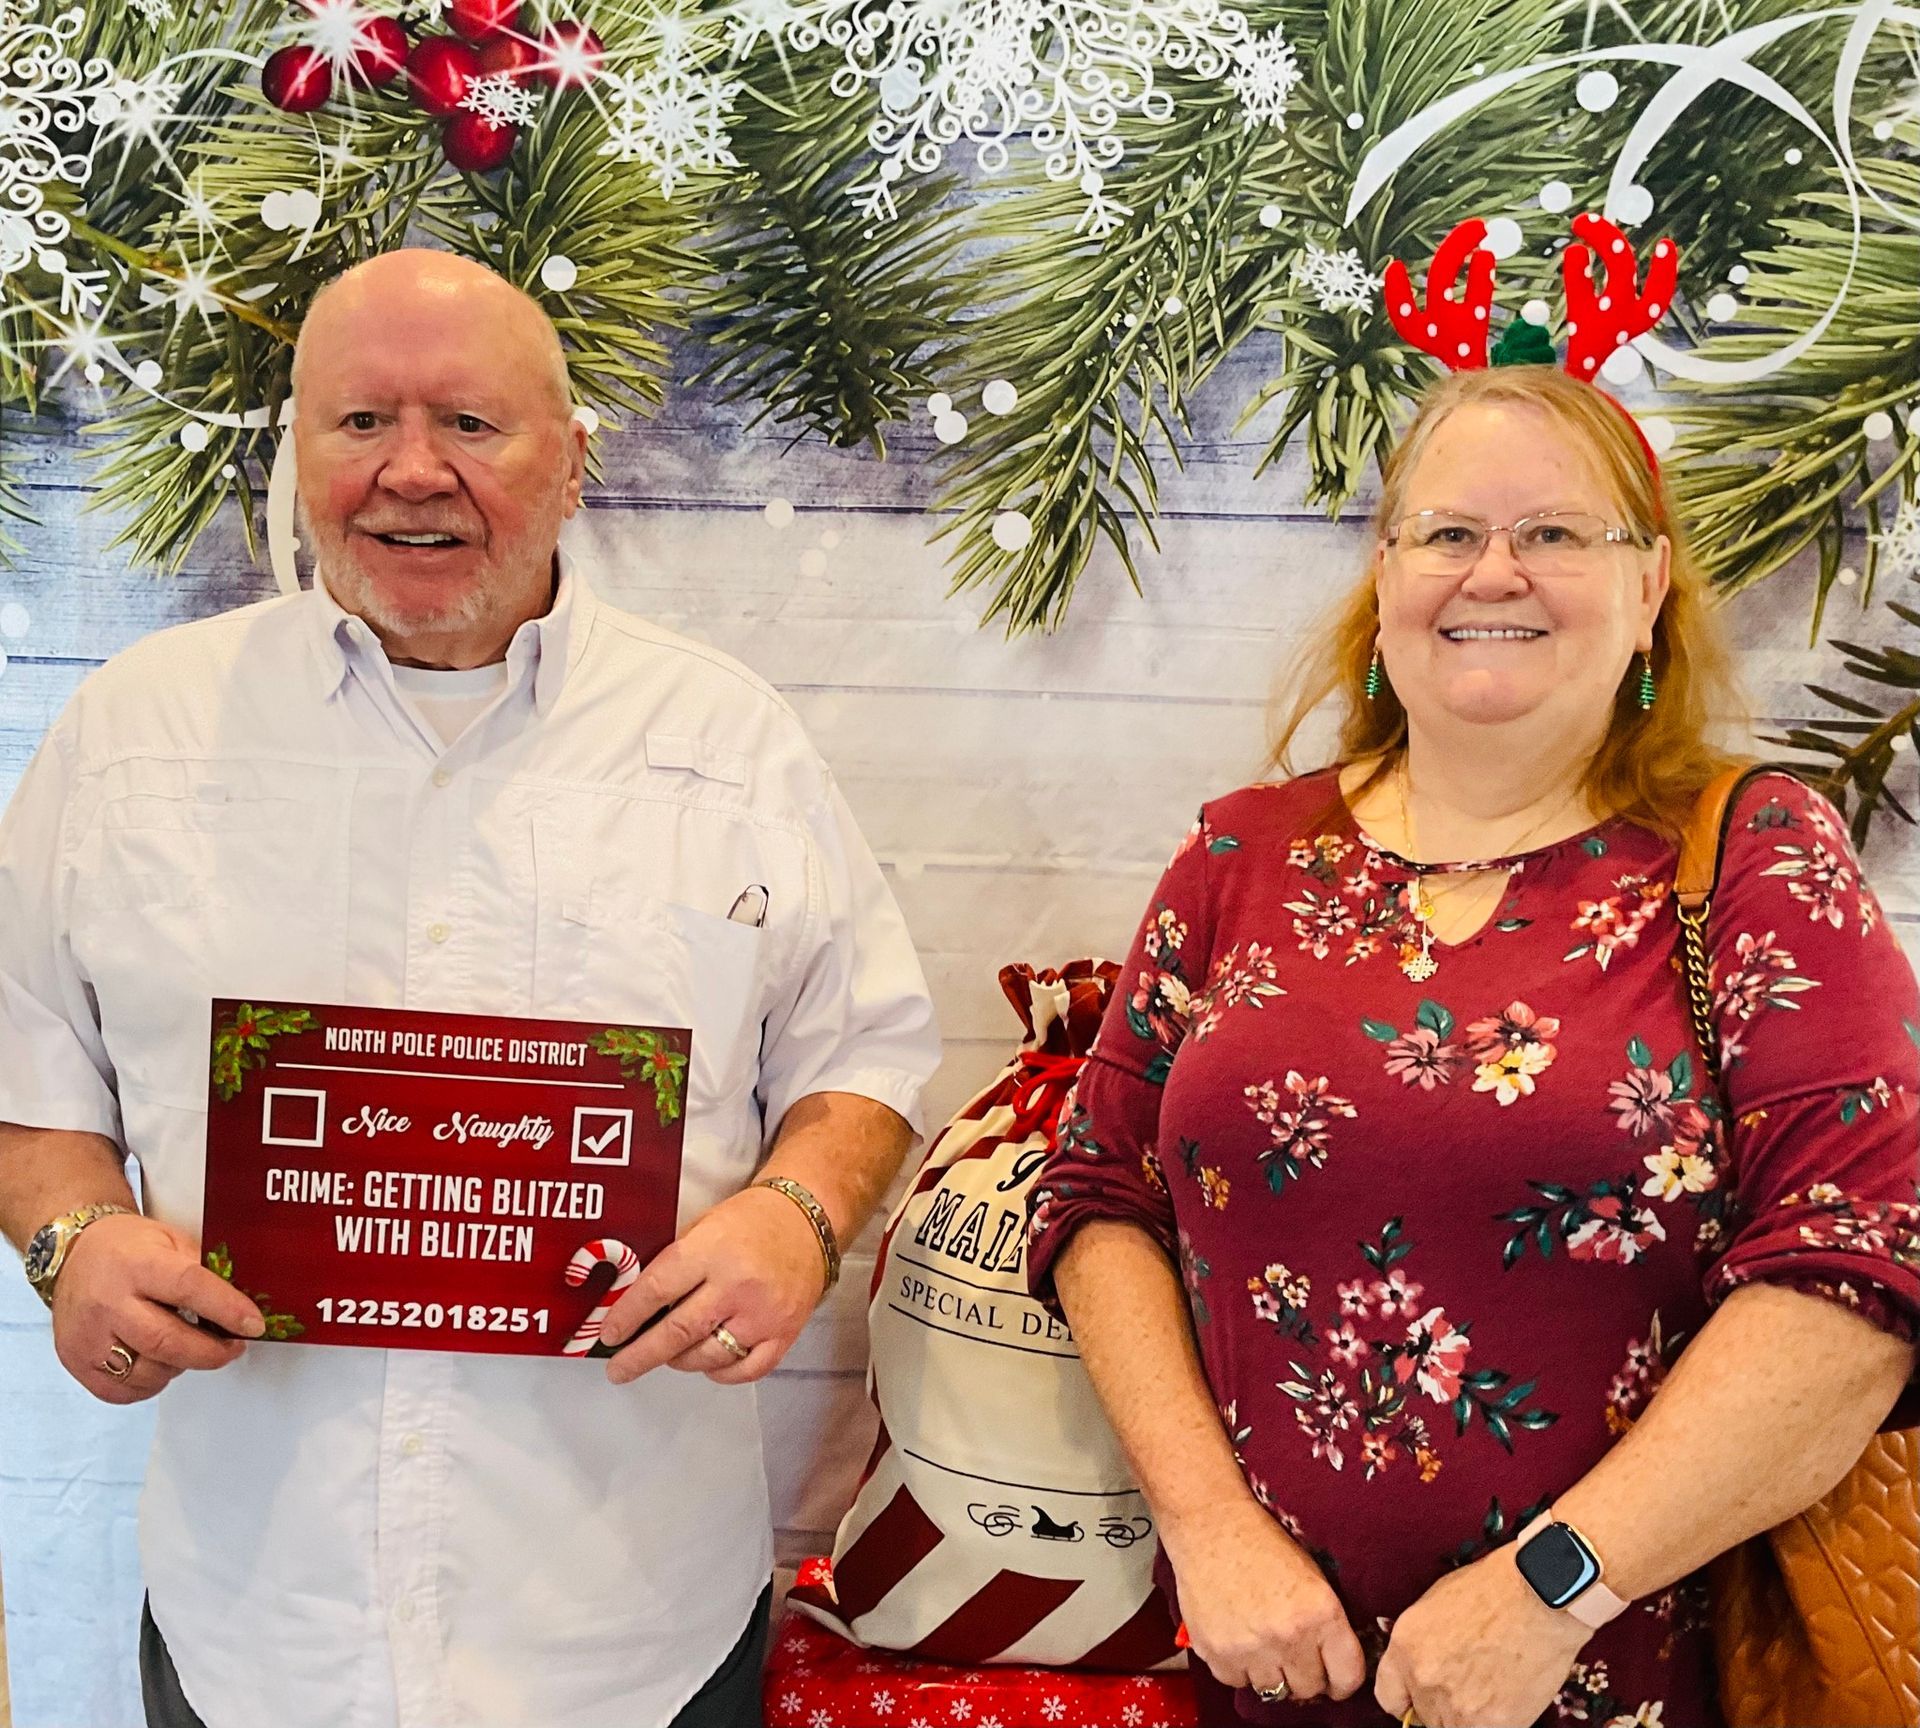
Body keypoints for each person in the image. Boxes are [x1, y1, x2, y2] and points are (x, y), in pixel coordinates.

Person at [0, 249, 941, 1728]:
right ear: (296, 452)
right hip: (259, 1625)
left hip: (629, 1627)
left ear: (572, 461)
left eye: (473, 426)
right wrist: (69, 1242)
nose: (410, 472)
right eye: (359, 422)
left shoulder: (726, 739)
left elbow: (866, 1053)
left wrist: (796, 1214)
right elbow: (28, 1072)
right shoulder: (134, 735)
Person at [1027, 363, 1919, 1728]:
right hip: (1267, 1669)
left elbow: (1861, 1270)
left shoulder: (1751, 856)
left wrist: (1549, 1593)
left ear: (1650, 588)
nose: (1492, 571)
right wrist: (1206, 1525)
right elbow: (1099, 1197)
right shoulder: (1240, 854)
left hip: (1621, 1677)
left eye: (1555, 534)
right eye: (1447, 534)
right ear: (1385, 582)